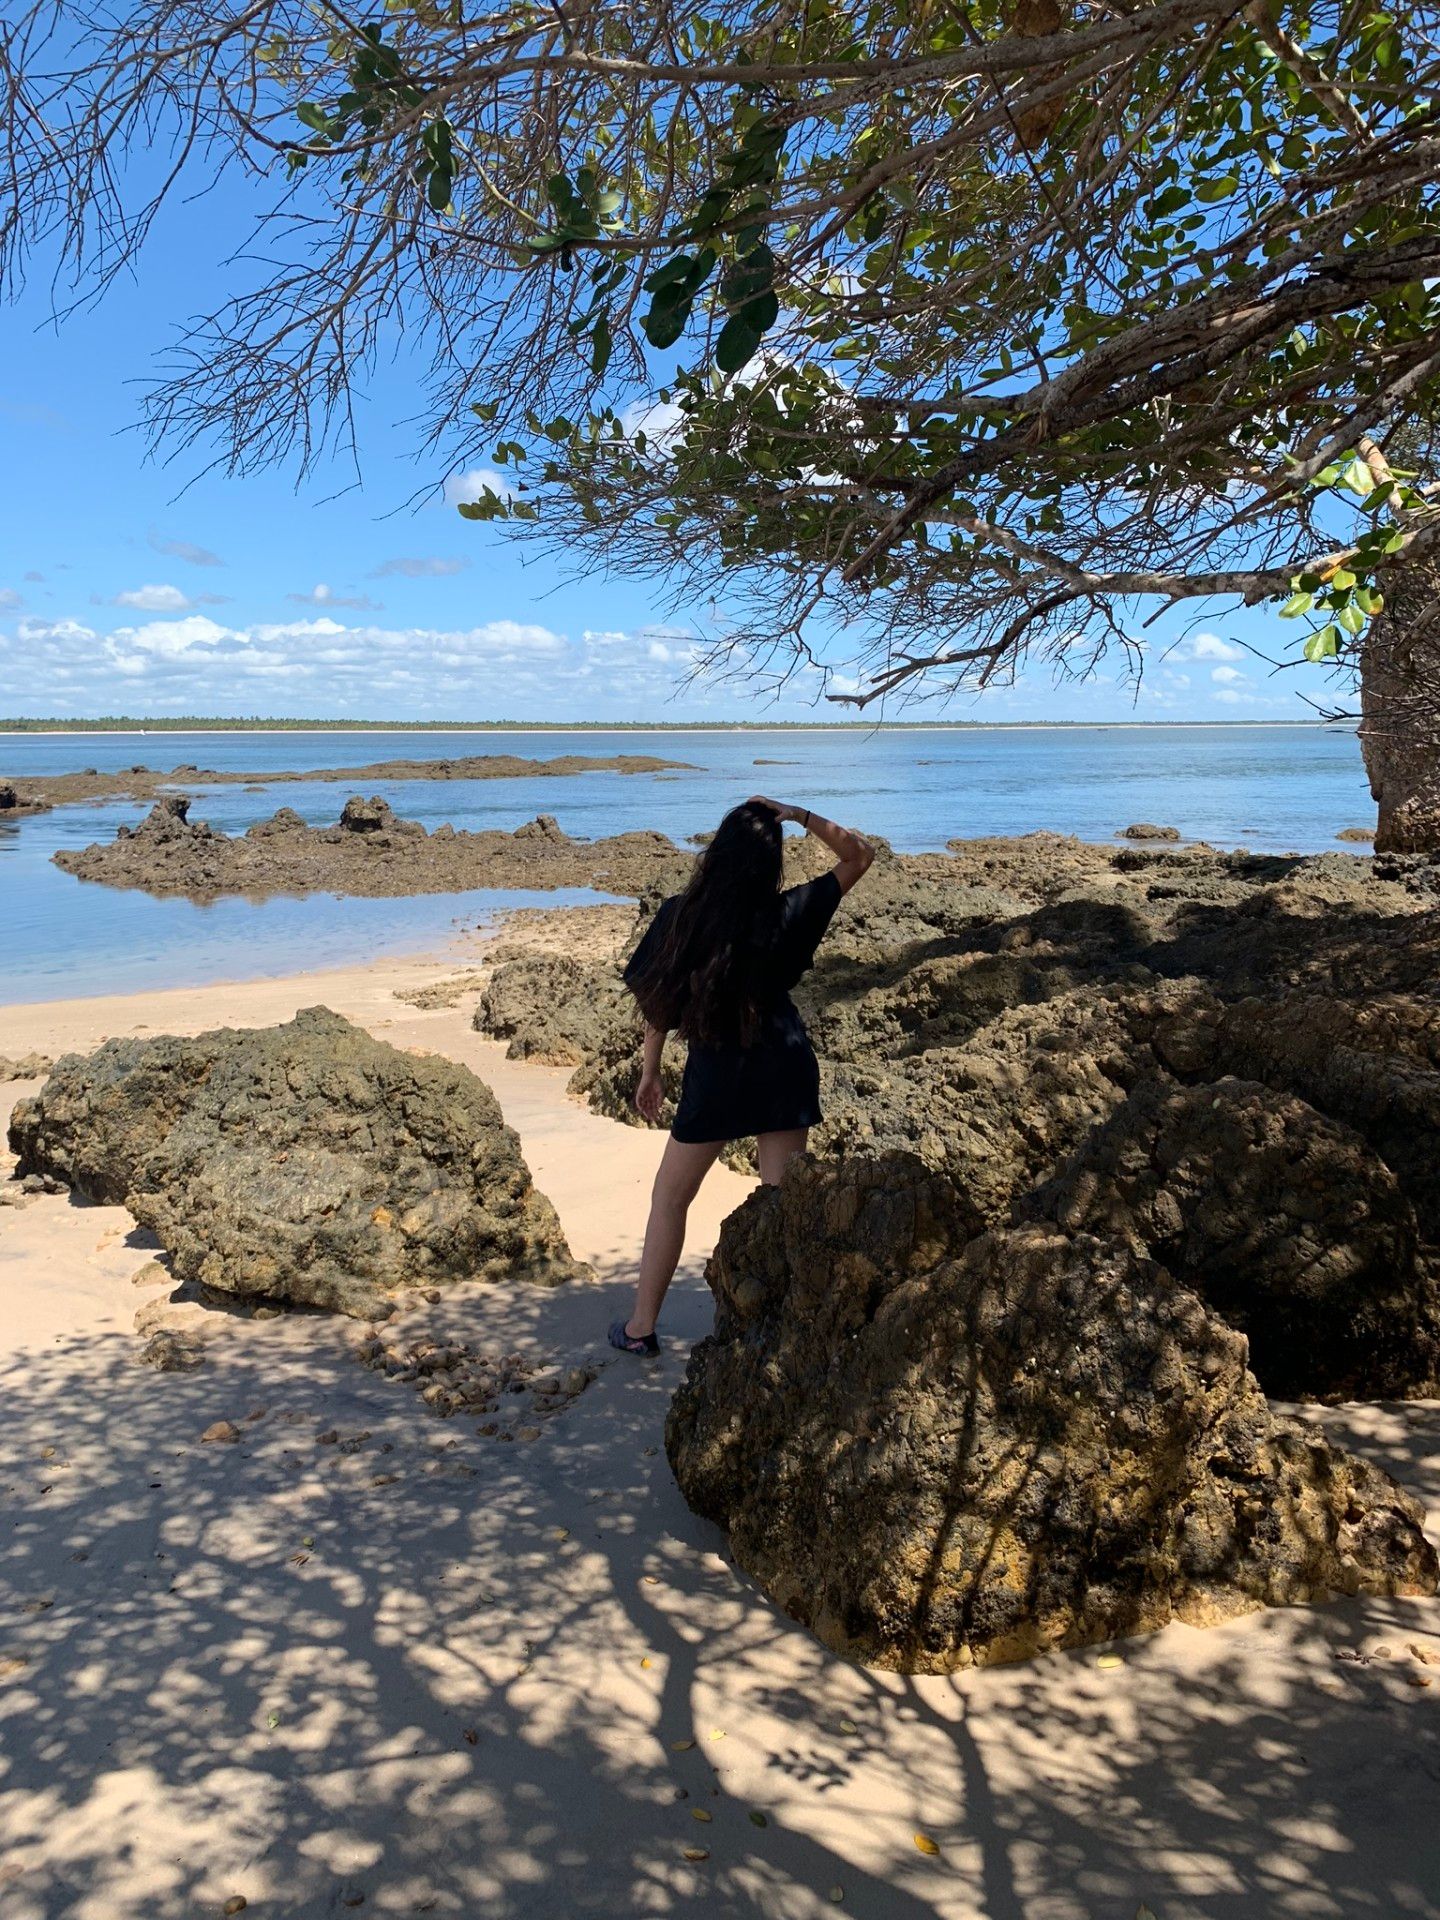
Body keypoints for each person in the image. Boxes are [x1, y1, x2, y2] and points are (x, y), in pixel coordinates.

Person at [608, 794, 874, 1355]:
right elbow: (859, 856)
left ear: (717, 852)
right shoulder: (789, 912)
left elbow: (658, 1003)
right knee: (781, 1202)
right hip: (783, 1063)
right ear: (771, 861)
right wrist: (799, 815)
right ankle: (782, 1330)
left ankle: (640, 1328)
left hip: (717, 1076)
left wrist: (650, 1071)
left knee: (670, 1198)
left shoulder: (682, 915)